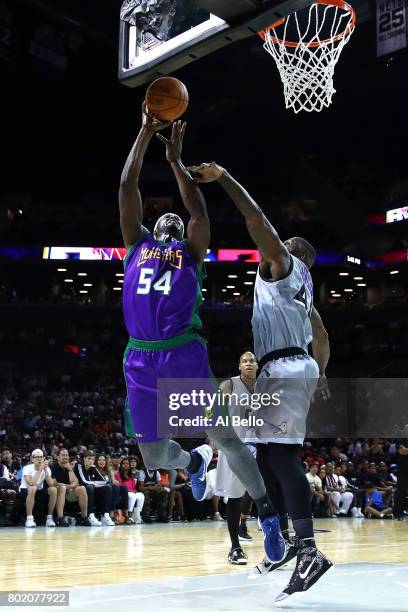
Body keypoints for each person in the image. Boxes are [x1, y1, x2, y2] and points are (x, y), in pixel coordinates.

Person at [118, 105, 284, 561]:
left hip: (182, 355)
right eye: (163, 218)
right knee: (153, 460)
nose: (171, 219)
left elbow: (196, 208)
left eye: (178, 218)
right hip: (140, 359)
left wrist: (174, 161)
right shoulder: (136, 247)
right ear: (152, 228)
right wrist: (144, 133)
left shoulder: (192, 252)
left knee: (227, 438)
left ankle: (267, 515)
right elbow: (127, 186)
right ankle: (192, 462)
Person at [188, 161, 332, 604]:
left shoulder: (284, 266)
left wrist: (225, 178)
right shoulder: (304, 290)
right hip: (289, 368)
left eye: (281, 244)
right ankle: (290, 540)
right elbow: (322, 336)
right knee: (267, 460)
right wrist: (321, 373)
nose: (272, 246)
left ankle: (309, 549)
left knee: (283, 461)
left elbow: (255, 220)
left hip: (285, 369)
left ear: (293, 255)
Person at [216, 351, 258, 565]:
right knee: (234, 498)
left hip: (262, 445)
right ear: (239, 366)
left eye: (252, 360)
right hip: (235, 445)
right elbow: (211, 409)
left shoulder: (266, 388)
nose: (248, 363)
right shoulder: (229, 385)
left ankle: (282, 541)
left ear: (257, 365)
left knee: (270, 492)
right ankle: (235, 547)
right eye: (244, 361)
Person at [74, 451, 115, 526]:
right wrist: (95, 483)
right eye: (88, 459)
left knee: (108, 487)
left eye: (92, 459)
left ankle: (105, 515)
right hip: (80, 491)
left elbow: (104, 481)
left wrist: (94, 483)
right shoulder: (79, 466)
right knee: (90, 487)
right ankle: (90, 516)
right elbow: (84, 481)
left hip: (91, 490)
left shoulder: (93, 467)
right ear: (84, 459)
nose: (91, 461)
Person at [50, 447, 88, 526]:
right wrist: (70, 486)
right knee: (62, 488)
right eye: (63, 455)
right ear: (58, 457)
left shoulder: (68, 467)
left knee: (82, 488)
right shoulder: (53, 467)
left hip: (67, 492)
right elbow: (54, 483)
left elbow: (76, 483)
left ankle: (84, 517)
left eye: (67, 455)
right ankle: (60, 518)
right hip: (56, 493)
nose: (65, 457)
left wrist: (70, 469)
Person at [19, 449, 57, 528]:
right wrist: (40, 469)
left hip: (39, 491)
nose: (39, 459)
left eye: (41, 457)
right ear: (32, 459)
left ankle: (49, 518)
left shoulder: (47, 469)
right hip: (25, 491)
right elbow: (31, 483)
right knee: (33, 488)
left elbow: (51, 484)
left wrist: (45, 469)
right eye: (37, 457)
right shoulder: (27, 468)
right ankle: (29, 519)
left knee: (53, 489)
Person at [96, 454, 132, 525]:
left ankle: (126, 514)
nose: (102, 462)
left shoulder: (108, 471)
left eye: (103, 460)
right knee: (113, 487)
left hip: (109, 490)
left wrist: (113, 477)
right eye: (100, 460)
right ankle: (111, 514)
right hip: (99, 491)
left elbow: (114, 482)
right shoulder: (94, 470)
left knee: (123, 488)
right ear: (96, 461)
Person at [114, 457, 145, 524]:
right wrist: (130, 490)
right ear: (121, 465)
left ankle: (137, 515)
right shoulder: (117, 474)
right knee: (132, 496)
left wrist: (134, 490)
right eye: (124, 463)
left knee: (141, 495)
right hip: (123, 492)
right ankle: (129, 515)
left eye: (127, 463)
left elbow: (134, 487)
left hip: (131, 491)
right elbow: (120, 486)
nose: (126, 465)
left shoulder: (131, 475)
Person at [394, 430, 408, 520]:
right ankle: (398, 514)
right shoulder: (400, 439)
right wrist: (405, 450)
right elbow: (402, 452)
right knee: (401, 492)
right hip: (403, 469)